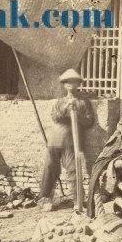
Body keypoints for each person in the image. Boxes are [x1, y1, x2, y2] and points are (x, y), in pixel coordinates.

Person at [39, 69, 95, 211]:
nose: (71, 84)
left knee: (73, 170)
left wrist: (76, 112)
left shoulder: (84, 102)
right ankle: (45, 199)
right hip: (55, 140)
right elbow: (55, 116)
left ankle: (77, 201)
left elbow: (89, 121)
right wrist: (66, 108)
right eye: (68, 82)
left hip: (72, 142)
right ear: (64, 85)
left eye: (74, 81)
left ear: (78, 84)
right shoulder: (60, 102)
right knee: (50, 168)